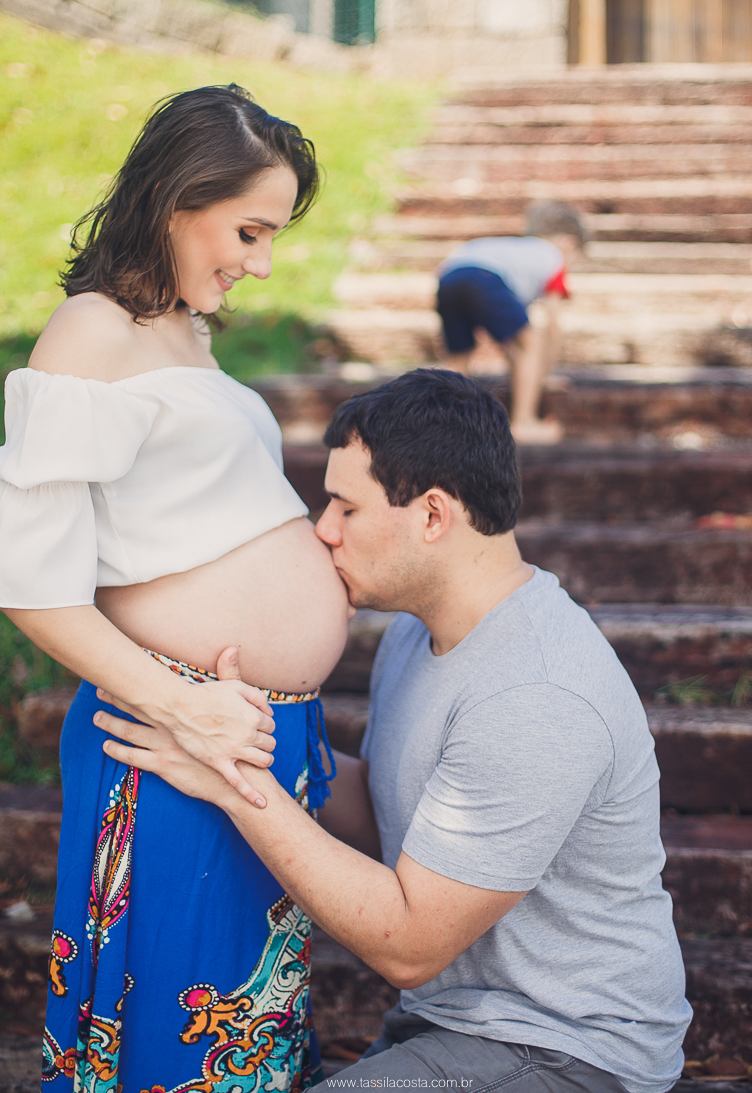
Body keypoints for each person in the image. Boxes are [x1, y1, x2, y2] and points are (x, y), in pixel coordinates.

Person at [97, 368, 692, 1093]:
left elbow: (409, 945)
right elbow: (387, 813)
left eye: (346, 506)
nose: (323, 529)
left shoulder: (536, 694)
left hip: (567, 1048)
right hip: (455, 1024)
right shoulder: (418, 636)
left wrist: (234, 780)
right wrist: (239, 727)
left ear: (433, 516)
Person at [0, 85, 353, 1090]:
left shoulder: (186, 334)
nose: (261, 262)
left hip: (242, 728)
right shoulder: (92, 333)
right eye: (247, 230)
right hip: (171, 732)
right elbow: (31, 583)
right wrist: (182, 706)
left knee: (246, 1022)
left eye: (273, 236)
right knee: (174, 1030)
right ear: (176, 199)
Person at [437, 200, 588, 445]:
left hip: (449, 274)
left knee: (458, 358)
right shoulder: (553, 258)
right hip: (484, 276)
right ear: (569, 244)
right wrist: (544, 371)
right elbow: (551, 323)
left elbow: (511, 339)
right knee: (531, 340)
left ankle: (441, 423)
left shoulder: (516, 253)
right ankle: (524, 421)